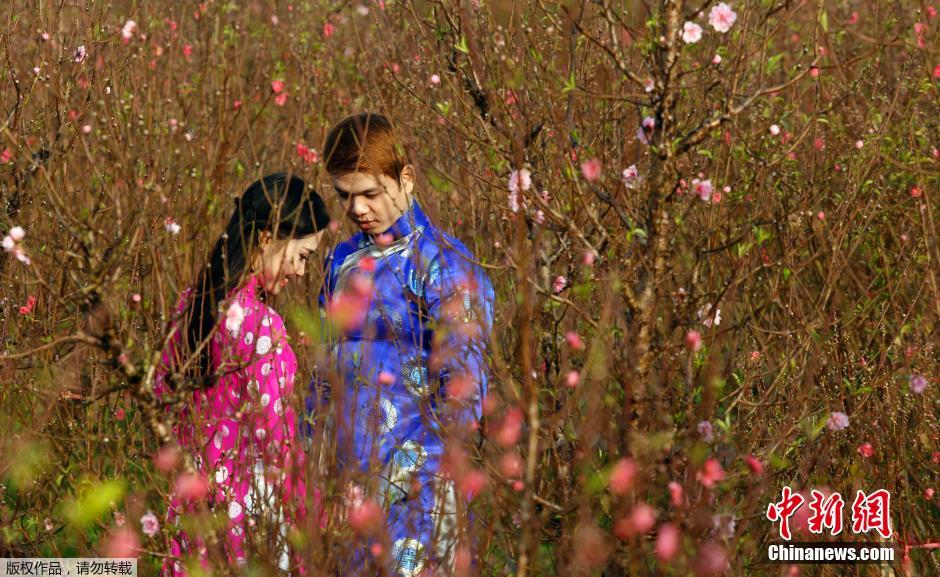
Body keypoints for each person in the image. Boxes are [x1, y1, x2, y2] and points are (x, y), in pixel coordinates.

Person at [309, 113, 494, 576]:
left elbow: (464, 394)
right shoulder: (342, 260)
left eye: (370, 193)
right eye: (344, 196)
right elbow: (322, 374)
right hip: (343, 487)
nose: (357, 209)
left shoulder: (446, 265)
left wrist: (412, 476)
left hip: (420, 490)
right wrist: (308, 462)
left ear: (405, 178)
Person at [154, 173, 330, 576]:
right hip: (248, 523)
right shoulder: (261, 326)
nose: (301, 272)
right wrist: (317, 518)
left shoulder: (190, 304)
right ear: (266, 238)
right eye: (302, 256)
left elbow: (161, 398)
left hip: (190, 515)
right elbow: (279, 446)